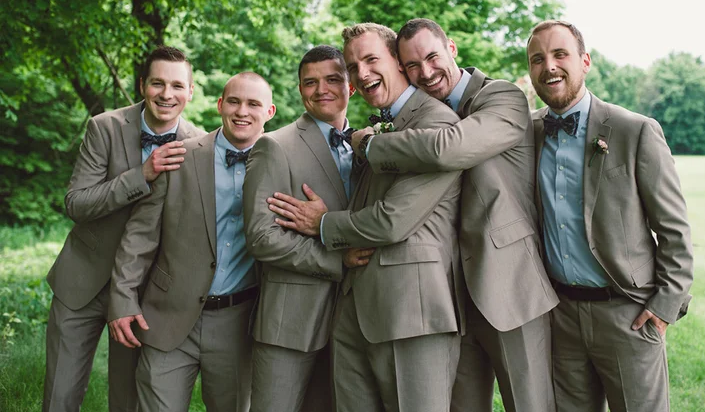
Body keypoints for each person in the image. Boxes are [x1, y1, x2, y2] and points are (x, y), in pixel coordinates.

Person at [349, 17, 557, 412]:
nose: (426, 72)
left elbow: (448, 148)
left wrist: (370, 145)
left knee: (530, 404)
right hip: (449, 296)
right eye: (413, 65)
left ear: (452, 49)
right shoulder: (416, 116)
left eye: (432, 57)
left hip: (509, 283)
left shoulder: (503, 97)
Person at [267, 23, 462, 412]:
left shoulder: (435, 123)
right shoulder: (374, 129)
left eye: (372, 60)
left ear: (399, 61)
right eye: (354, 66)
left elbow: (392, 220)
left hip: (412, 313)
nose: (363, 73)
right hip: (353, 310)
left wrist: (322, 224)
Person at [527, 20, 694, 412]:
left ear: (585, 62)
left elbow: (674, 230)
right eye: (537, 59)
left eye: (560, 54)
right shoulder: (527, 132)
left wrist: (664, 306)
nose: (549, 66)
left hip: (628, 313)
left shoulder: (634, 131)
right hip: (560, 317)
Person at [44, 46, 202, 412]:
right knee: (60, 396)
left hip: (143, 293)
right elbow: (76, 204)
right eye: (158, 83)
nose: (167, 94)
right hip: (82, 281)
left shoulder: (198, 144)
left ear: (191, 91)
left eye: (178, 85)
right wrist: (141, 175)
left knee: (127, 399)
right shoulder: (104, 127)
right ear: (143, 84)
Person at [107, 73, 276, 412]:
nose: (242, 111)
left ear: (269, 112)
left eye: (253, 104)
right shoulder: (178, 156)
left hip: (238, 322)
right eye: (234, 101)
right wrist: (122, 297)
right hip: (166, 315)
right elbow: (140, 235)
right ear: (220, 105)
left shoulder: (281, 162)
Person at [243, 45, 358, 412]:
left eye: (332, 79)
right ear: (300, 90)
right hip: (289, 323)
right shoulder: (274, 146)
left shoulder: (370, 146)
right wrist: (338, 260)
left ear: (351, 85)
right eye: (310, 82)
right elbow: (262, 237)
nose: (321, 89)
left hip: (356, 323)